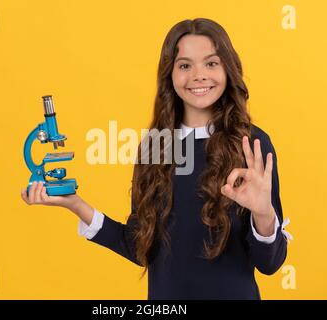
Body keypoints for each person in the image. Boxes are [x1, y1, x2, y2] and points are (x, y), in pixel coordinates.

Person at [21, 18, 292, 299]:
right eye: (185, 65)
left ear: (228, 68)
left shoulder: (252, 144)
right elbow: (140, 247)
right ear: (170, 74)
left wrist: (263, 212)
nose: (198, 75)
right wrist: (75, 205)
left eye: (211, 63)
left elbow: (270, 263)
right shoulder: (155, 147)